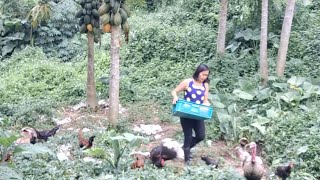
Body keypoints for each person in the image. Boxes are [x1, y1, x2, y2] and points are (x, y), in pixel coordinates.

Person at [171, 63, 210, 164]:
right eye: (203, 75)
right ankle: (187, 160)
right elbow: (174, 91)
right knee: (188, 136)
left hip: (198, 114)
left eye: (206, 75)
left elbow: (205, 100)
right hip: (186, 113)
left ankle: (185, 148)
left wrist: (207, 104)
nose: (204, 77)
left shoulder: (205, 85)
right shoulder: (188, 82)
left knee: (201, 136)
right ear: (198, 73)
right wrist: (175, 97)